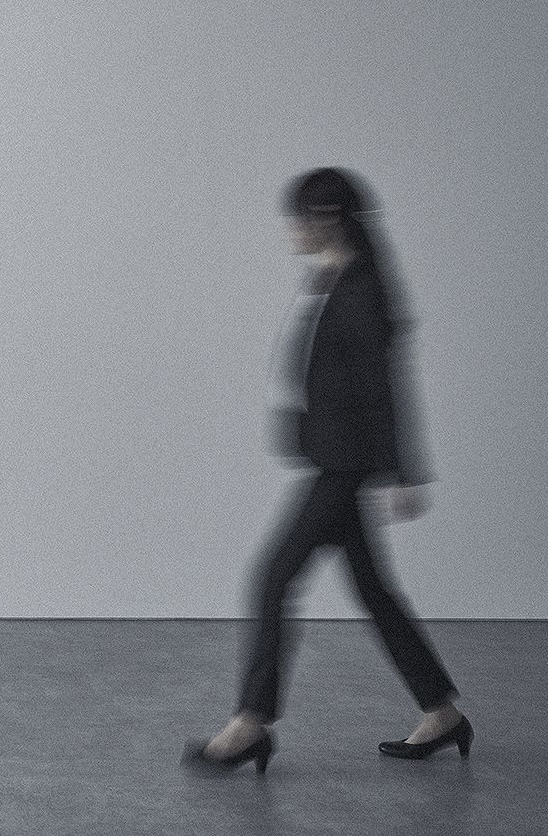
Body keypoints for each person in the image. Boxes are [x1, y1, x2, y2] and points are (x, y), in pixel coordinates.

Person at [185, 168, 470, 773]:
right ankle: (441, 711)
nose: (290, 231)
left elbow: (384, 386)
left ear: (325, 218)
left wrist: (403, 470)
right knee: (373, 590)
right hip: (336, 458)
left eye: (297, 219)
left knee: (272, 578)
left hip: (344, 466)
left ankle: (251, 723)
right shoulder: (337, 280)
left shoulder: (360, 289)